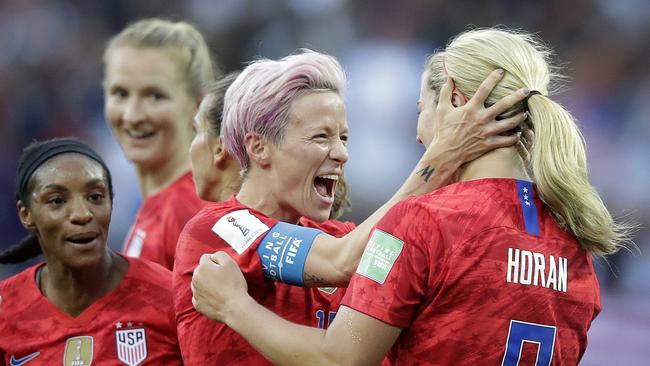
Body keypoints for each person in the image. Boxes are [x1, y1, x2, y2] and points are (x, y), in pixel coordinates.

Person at [190, 28, 635, 365]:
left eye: (420, 111)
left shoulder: (420, 224)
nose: (419, 134)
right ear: (256, 147)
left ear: (456, 102)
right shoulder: (575, 241)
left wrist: (234, 305)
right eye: (322, 137)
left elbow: (339, 354)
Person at [176, 48, 530, 364]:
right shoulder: (217, 229)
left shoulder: (345, 235)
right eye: (321, 136)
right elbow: (339, 261)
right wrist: (444, 157)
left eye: (344, 137)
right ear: (259, 148)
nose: (342, 153)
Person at [0, 138, 181, 365]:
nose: (82, 213)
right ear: (26, 215)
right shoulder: (5, 308)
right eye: (57, 201)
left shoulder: (169, 295)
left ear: (111, 203)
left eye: (95, 197)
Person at [103, 18, 217, 269]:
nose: (132, 115)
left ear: (199, 105)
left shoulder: (188, 212)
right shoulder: (162, 207)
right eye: (120, 93)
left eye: (155, 96)